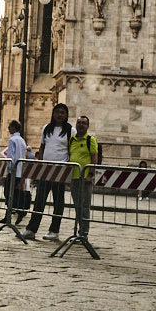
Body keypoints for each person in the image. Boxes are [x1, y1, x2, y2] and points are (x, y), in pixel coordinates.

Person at [28, 104, 73, 238]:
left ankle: (54, 231)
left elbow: (71, 150)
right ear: (53, 113)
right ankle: (31, 229)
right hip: (46, 170)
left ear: (66, 115)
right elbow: (42, 147)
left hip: (60, 171)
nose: (60, 115)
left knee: (58, 202)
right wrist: (40, 163)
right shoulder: (46, 128)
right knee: (39, 200)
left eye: (63, 112)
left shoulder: (71, 130)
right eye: (57, 112)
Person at [67, 115, 101, 243]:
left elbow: (94, 159)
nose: (80, 125)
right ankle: (79, 231)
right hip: (74, 177)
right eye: (79, 123)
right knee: (77, 206)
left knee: (85, 206)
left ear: (88, 126)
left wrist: (90, 175)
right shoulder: (72, 140)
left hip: (85, 178)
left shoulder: (91, 140)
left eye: (83, 123)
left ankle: (84, 233)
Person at [0, 123, 29, 226]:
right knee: (15, 192)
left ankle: (19, 210)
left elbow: (10, 156)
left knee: (8, 193)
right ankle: (9, 214)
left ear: (13, 128)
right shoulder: (22, 140)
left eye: (9, 127)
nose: (8, 129)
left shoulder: (12, 140)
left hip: (13, 170)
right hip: (20, 170)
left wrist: (8, 168)